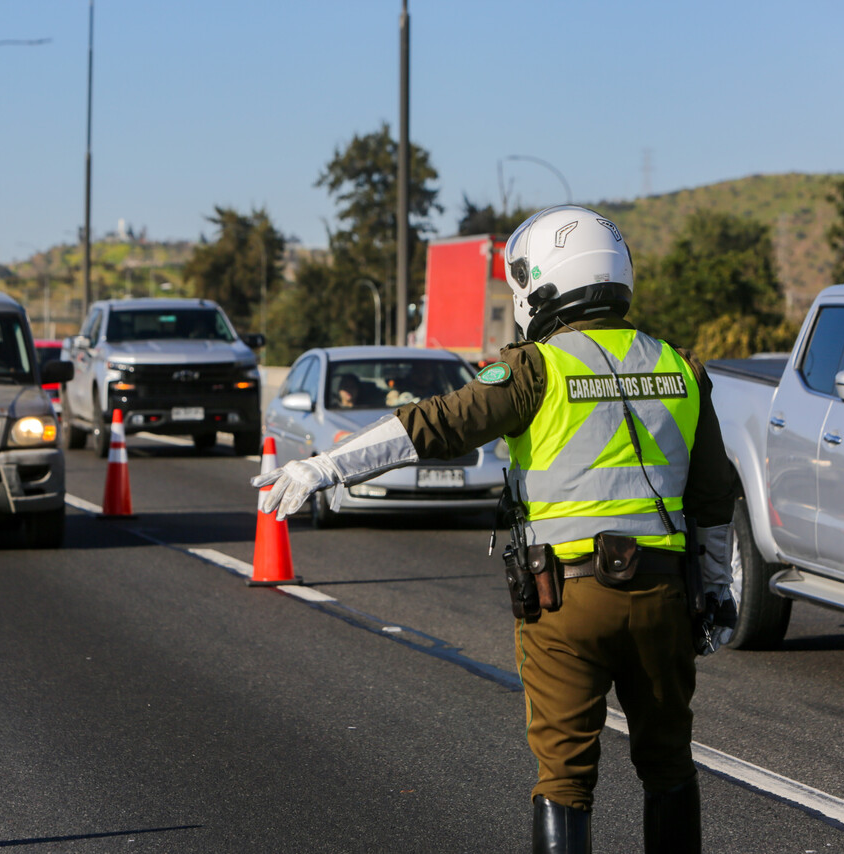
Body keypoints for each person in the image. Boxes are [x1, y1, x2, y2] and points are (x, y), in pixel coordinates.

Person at [253, 206, 738, 854]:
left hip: (565, 601)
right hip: (663, 601)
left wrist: (326, 466)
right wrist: (717, 592)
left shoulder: (536, 367)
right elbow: (713, 498)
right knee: (669, 767)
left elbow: (433, 424)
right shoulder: (683, 368)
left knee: (565, 780)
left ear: (543, 285)